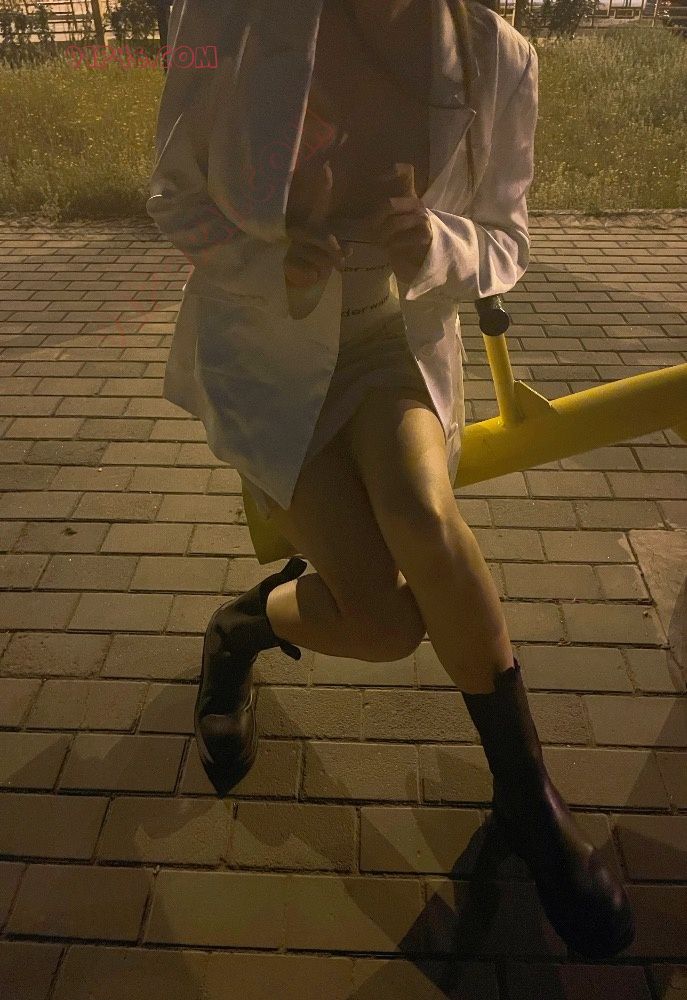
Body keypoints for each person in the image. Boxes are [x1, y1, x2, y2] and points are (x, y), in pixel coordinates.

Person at [147, 0, 635, 960]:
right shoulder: (217, 16)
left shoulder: (497, 55)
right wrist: (266, 259)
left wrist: (439, 244)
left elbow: (505, 239)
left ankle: (527, 801)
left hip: (390, 336)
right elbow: (170, 192)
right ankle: (243, 627)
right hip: (267, 342)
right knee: (381, 623)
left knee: (422, 513)